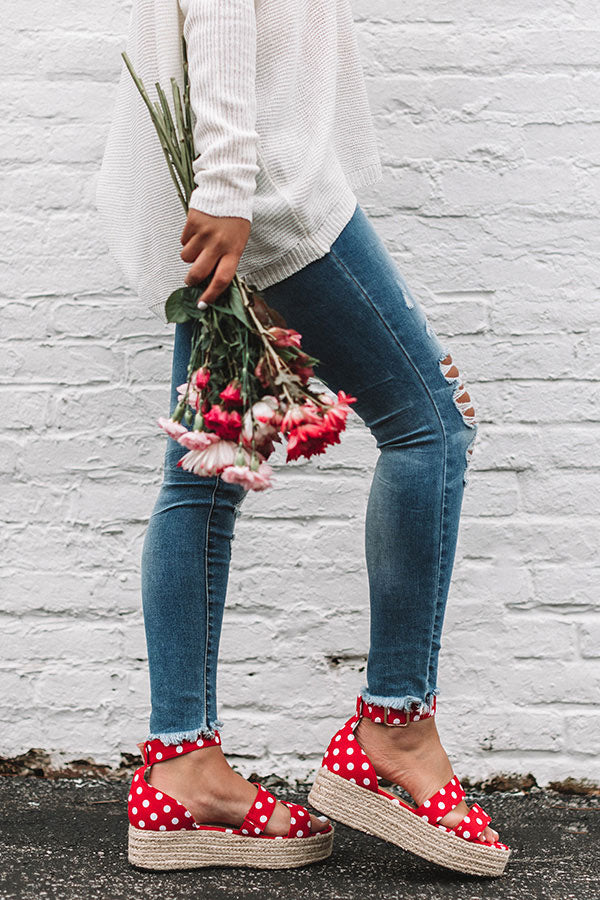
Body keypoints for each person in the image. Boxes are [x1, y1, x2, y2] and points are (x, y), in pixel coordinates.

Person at [98, 0, 510, 877]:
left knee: (205, 472)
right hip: (265, 196)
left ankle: (182, 765)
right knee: (431, 428)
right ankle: (395, 729)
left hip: (243, 189)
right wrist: (228, 189)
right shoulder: (247, 190)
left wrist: (221, 187)